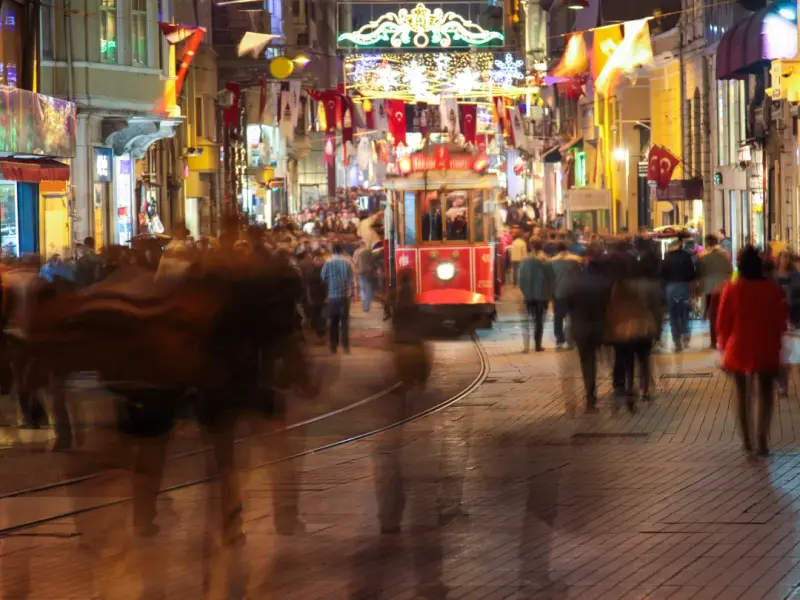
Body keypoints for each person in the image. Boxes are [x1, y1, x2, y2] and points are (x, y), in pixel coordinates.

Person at [716, 246, 787, 456]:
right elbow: (780, 320)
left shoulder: (731, 288)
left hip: (738, 347)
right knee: (766, 393)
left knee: (741, 393)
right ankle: (762, 439)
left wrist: (722, 346)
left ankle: (747, 440)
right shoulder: (772, 289)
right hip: (765, 345)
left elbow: (722, 323)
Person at [565, 249, 609, 411]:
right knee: (593, 360)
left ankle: (590, 394)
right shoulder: (597, 283)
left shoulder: (572, 284)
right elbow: (605, 304)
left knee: (586, 362)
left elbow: (568, 306)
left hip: (580, 327)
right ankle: (592, 392)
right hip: (596, 326)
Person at [661, 238, 697, 351]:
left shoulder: (667, 257)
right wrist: (693, 292)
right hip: (684, 287)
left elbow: (663, 274)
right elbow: (692, 274)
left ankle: (676, 339)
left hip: (671, 288)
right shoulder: (687, 256)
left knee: (673, 314)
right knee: (684, 311)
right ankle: (685, 334)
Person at [698, 235, 733, 349]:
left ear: (707, 243)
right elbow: (730, 270)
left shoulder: (704, 257)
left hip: (709, 288)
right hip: (723, 287)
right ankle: (723, 336)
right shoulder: (725, 255)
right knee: (723, 312)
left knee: (712, 315)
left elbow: (701, 273)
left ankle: (713, 341)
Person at [518, 239, 553, 353]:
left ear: (531, 247)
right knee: (539, 320)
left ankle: (526, 346)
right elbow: (551, 278)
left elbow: (520, 278)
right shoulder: (547, 261)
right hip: (542, 295)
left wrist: (525, 291)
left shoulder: (524, 261)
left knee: (529, 318)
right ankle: (538, 344)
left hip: (529, 295)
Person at [321, 243, 355, 354]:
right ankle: (345, 346)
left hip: (332, 296)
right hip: (344, 295)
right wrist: (351, 292)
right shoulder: (346, 263)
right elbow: (350, 279)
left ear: (332, 251)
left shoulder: (327, 263)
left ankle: (333, 346)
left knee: (333, 322)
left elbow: (323, 277)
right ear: (341, 251)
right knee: (344, 322)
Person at [550, 242, 583, 349]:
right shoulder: (576, 259)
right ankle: (571, 339)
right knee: (574, 316)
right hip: (574, 292)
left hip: (559, 292)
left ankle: (559, 339)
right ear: (567, 249)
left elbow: (551, 279)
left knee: (558, 317)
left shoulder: (552, 261)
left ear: (557, 250)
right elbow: (581, 275)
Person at [353, 241, 376, 312]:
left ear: (360, 245)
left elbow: (355, 262)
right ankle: (366, 306)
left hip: (360, 271)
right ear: (364, 244)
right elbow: (373, 261)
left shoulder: (356, 252)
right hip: (368, 272)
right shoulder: (369, 251)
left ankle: (365, 305)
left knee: (362, 288)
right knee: (368, 288)